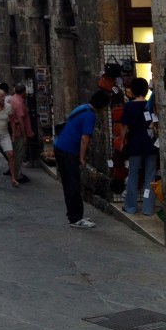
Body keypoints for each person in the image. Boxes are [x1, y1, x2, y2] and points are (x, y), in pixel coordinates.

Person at [53, 88, 111, 228]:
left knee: (69, 184)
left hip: (61, 146)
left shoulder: (82, 108)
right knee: (73, 185)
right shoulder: (90, 116)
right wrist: (82, 157)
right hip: (68, 150)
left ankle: (73, 215)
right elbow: (85, 138)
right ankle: (76, 218)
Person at [120, 77, 158, 216]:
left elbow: (124, 126)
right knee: (150, 176)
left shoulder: (129, 106)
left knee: (133, 175)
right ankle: (148, 208)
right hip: (151, 143)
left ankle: (131, 206)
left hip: (135, 144)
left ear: (133, 90)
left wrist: (122, 141)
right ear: (146, 90)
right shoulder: (151, 105)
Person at [9, 82, 34, 184]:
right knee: (19, 154)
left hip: (14, 131)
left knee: (16, 153)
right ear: (23, 92)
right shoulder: (18, 103)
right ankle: (17, 175)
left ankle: (16, 172)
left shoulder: (12, 99)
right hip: (19, 132)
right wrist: (24, 135)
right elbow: (20, 120)